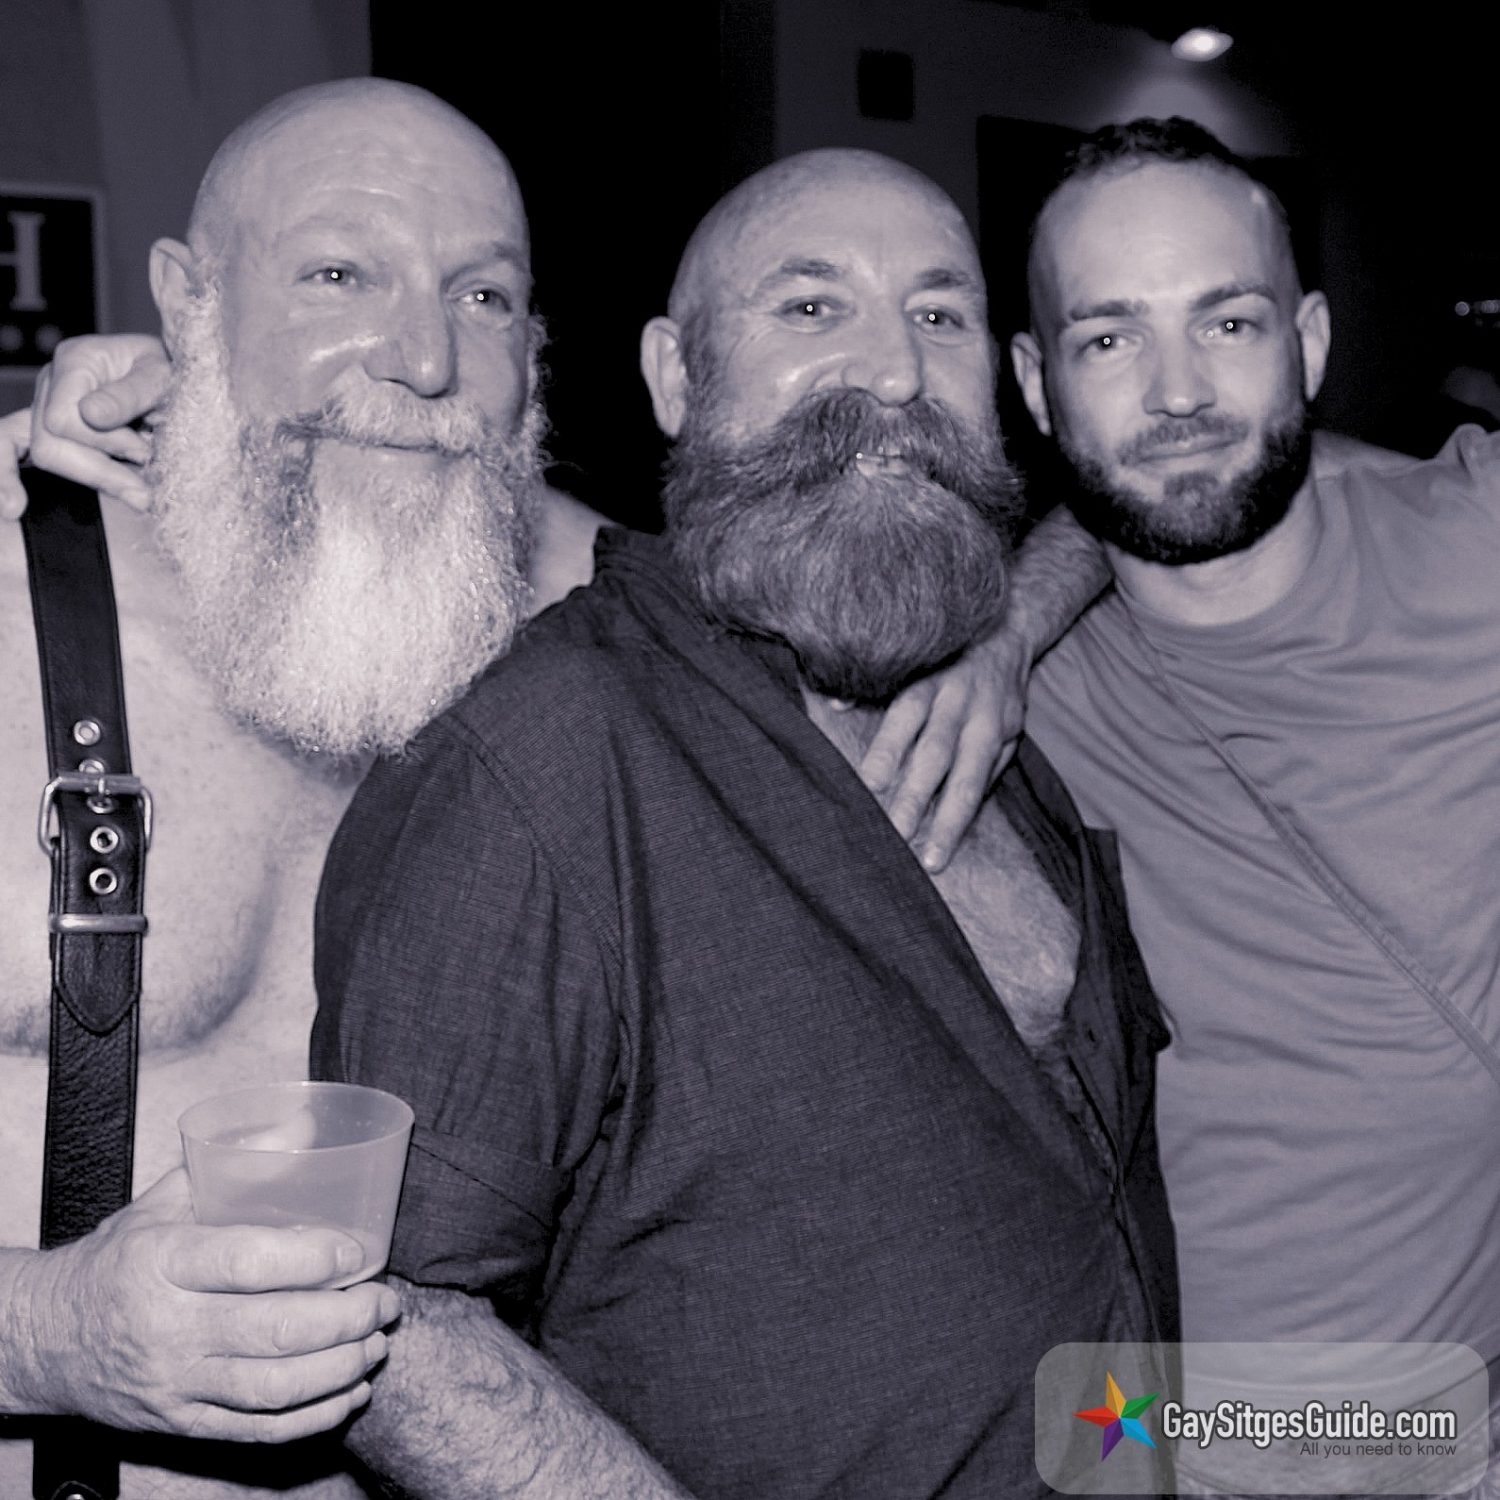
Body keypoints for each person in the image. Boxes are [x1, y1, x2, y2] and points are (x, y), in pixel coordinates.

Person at [309, 146, 1178, 1500]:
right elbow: (382, 1319)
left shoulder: (1000, 727)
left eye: (940, 314)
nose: (895, 371)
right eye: (811, 306)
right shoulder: (539, 762)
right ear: (674, 376)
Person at [866, 115, 1500, 1485]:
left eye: (1227, 324)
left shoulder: (1476, 545)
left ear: (1309, 343)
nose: (1176, 393)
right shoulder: (979, 704)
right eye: (1109, 339)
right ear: (1036, 385)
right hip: (1188, 1446)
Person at [0, 77, 610, 1499]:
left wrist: (1005, 636)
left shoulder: (557, 614)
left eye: (483, 298)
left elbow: (806, 575)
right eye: (339, 275)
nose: (424, 359)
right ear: (188, 302)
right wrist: (48, 1335)